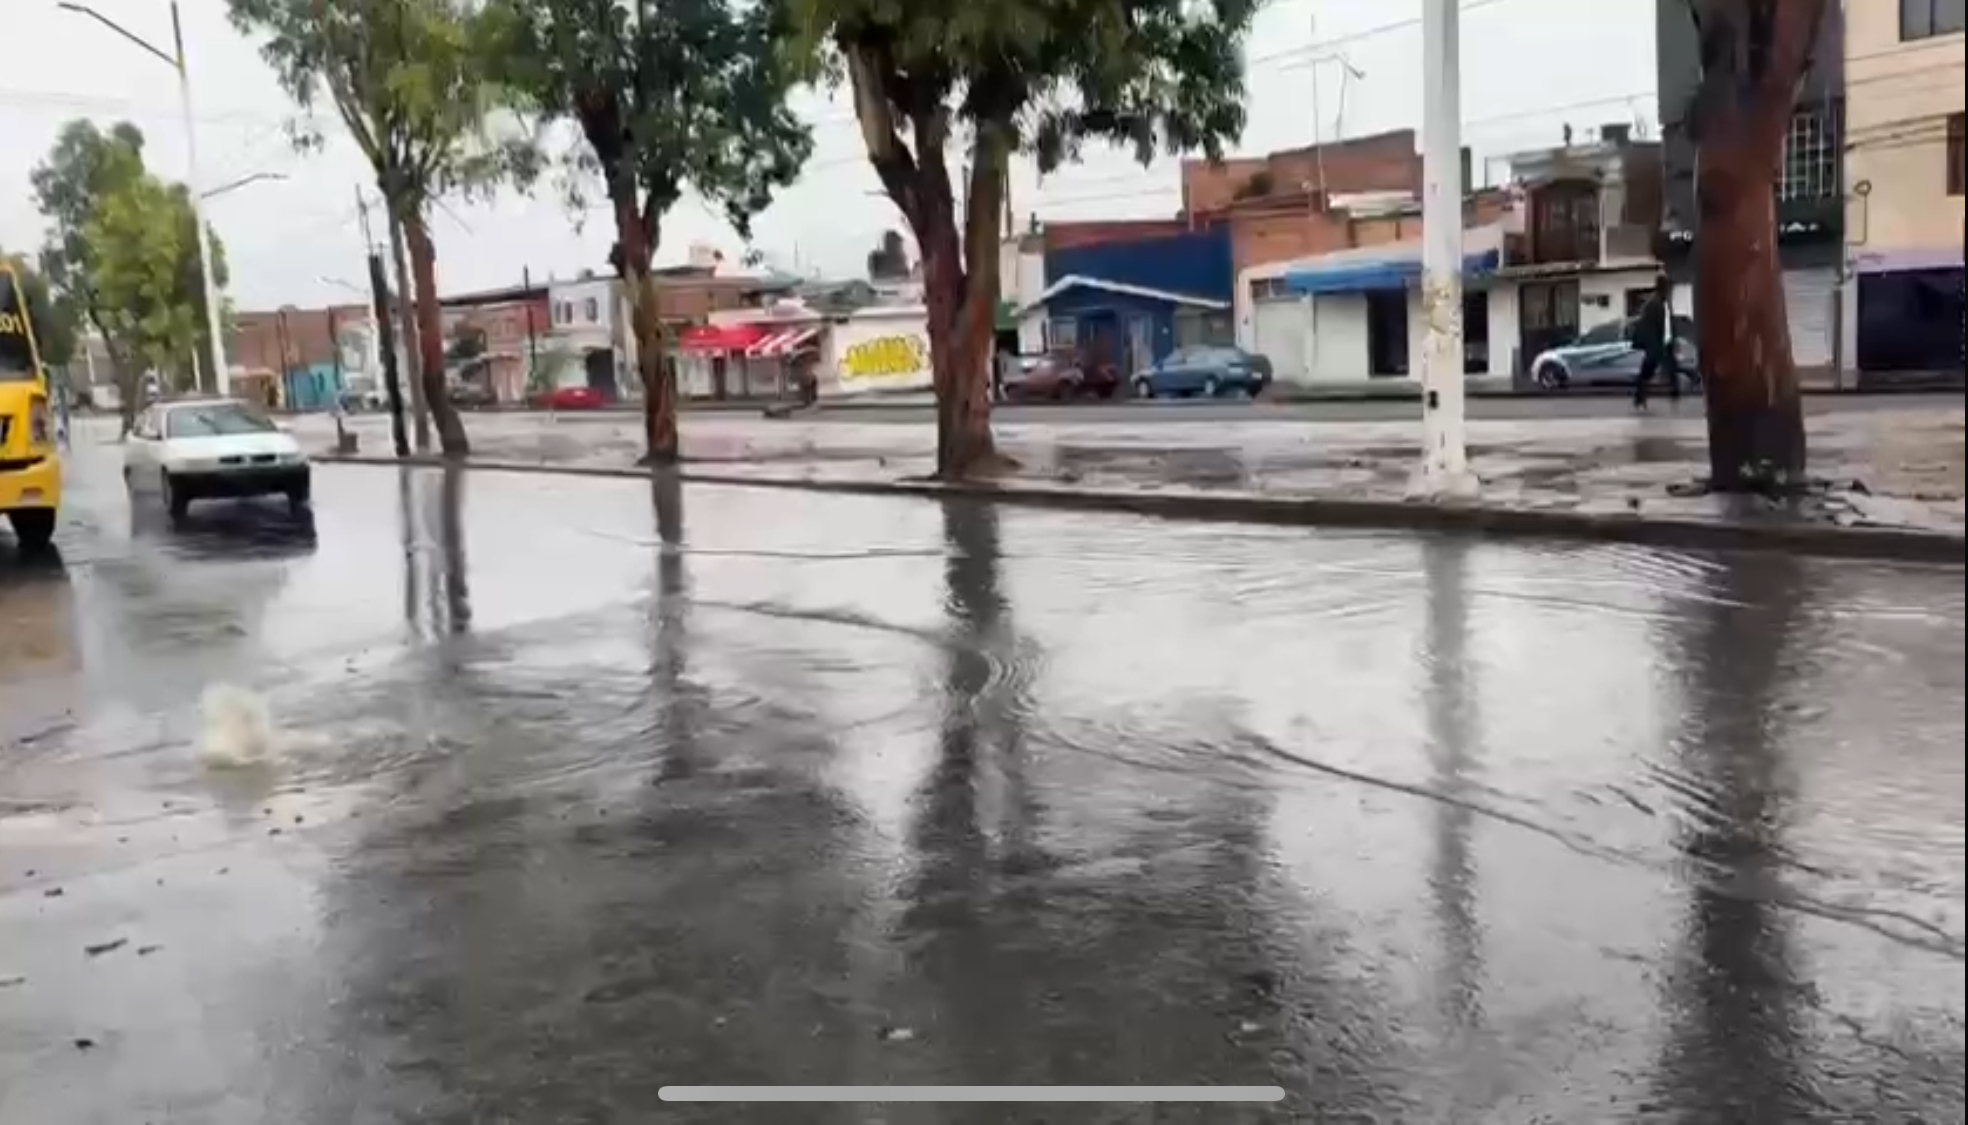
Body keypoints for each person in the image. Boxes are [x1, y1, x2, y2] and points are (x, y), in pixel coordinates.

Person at [1631, 273, 1681, 409]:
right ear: (1661, 287)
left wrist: (1673, 338)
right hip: (1656, 344)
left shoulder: (1665, 303)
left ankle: (1674, 393)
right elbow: (1646, 325)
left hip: (1666, 342)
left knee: (1672, 367)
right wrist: (1651, 345)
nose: (1669, 290)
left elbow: (1669, 323)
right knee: (1647, 370)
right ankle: (1639, 397)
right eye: (1667, 287)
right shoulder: (1653, 304)